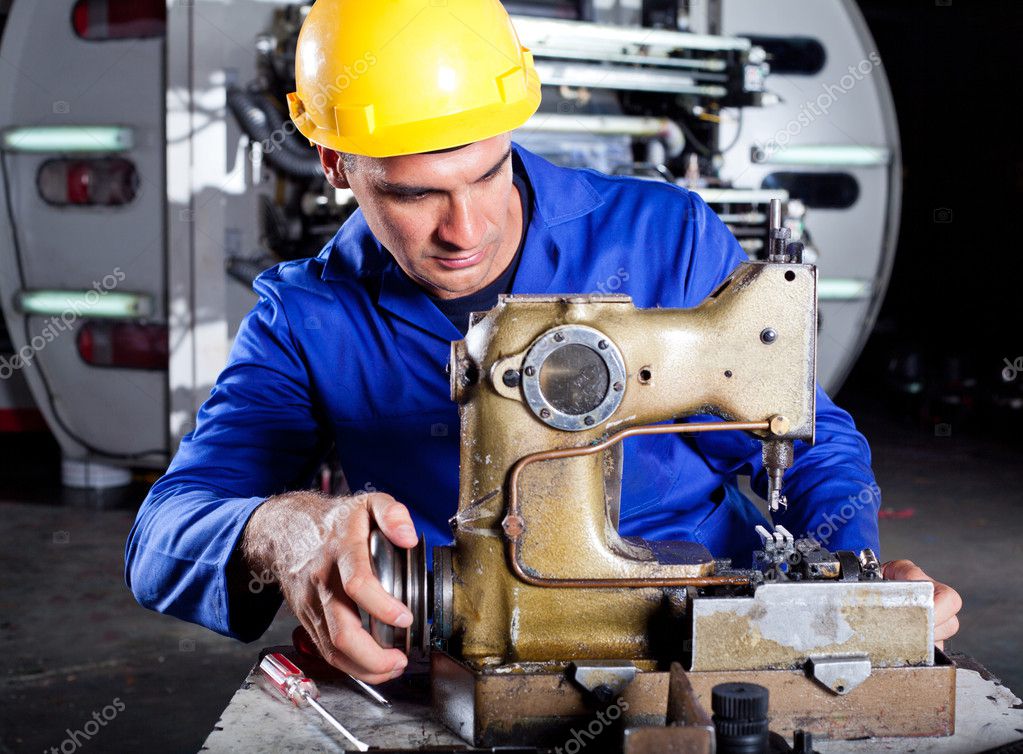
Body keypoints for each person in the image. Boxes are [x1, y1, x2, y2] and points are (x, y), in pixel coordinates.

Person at [125, 0, 961, 685]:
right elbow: (162, 537)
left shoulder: (666, 236)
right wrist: (287, 530)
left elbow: (807, 438)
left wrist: (850, 575)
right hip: (473, 655)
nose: (464, 230)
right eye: (415, 194)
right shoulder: (305, 318)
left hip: (717, 632)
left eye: (485, 174)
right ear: (335, 163)